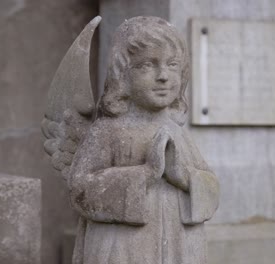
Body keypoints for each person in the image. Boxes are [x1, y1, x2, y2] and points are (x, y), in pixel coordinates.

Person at [68, 16, 219, 264]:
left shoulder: (178, 133)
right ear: (122, 75)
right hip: (123, 248)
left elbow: (211, 188)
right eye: (147, 65)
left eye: (172, 65)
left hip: (178, 244)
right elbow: (80, 190)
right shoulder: (108, 131)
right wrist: (145, 174)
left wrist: (183, 177)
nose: (163, 76)